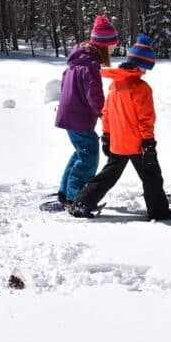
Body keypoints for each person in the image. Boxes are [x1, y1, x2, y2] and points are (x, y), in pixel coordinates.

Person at [69, 34, 171, 220]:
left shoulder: (115, 84)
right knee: (152, 176)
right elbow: (146, 118)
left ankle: (82, 202)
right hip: (138, 144)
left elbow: (107, 113)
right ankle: (159, 211)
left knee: (108, 176)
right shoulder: (141, 87)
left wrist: (107, 136)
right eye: (145, 68)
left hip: (118, 143)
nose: (145, 72)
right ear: (138, 65)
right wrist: (148, 142)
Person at [55, 15, 118, 209]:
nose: (113, 50)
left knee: (81, 152)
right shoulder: (90, 65)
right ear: (103, 46)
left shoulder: (78, 60)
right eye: (112, 47)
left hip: (71, 115)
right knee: (89, 156)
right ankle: (76, 198)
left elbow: (65, 84)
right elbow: (95, 96)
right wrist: (106, 115)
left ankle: (65, 192)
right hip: (78, 117)